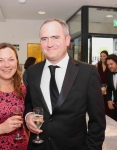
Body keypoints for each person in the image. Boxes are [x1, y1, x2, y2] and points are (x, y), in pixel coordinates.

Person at [24, 19, 106, 150]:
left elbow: (97, 121)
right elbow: (29, 102)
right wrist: (28, 116)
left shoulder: (87, 72)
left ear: (67, 40)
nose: (49, 44)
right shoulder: (32, 72)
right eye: (44, 39)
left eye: (55, 37)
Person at [95, 50, 112, 118]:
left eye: (104, 56)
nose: (102, 57)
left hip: (108, 87)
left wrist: (106, 88)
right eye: (101, 56)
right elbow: (94, 78)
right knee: (99, 105)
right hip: (98, 88)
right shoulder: (97, 65)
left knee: (107, 104)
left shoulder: (109, 66)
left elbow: (110, 79)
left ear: (107, 57)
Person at [106, 54, 117, 121]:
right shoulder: (109, 74)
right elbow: (109, 89)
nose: (109, 66)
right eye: (108, 65)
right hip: (115, 107)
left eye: (111, 64)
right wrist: (109, 100)